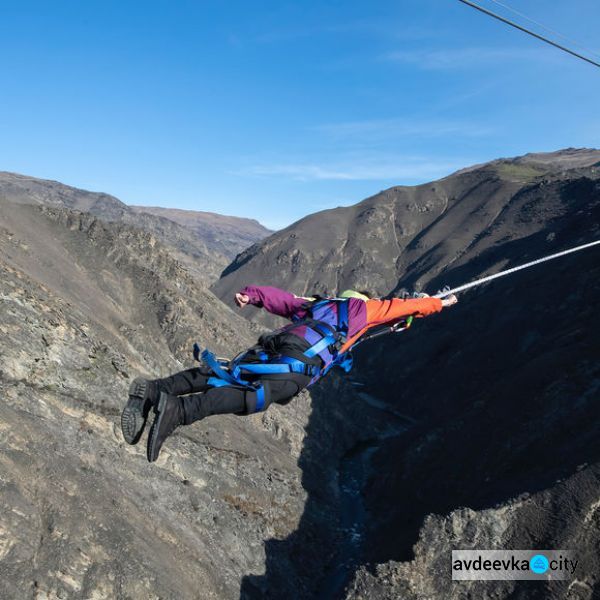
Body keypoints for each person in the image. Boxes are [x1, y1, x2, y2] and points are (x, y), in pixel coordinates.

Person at [121, 286, 458, 462]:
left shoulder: (320, 303)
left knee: (226, 373)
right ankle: (178, 412)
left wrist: (251, 294)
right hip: (298, 362)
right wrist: (438, 303)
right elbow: (407, 307)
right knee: (257, 396)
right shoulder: (364, 310)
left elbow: (282, 300)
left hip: (278, 345)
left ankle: (152, 390)